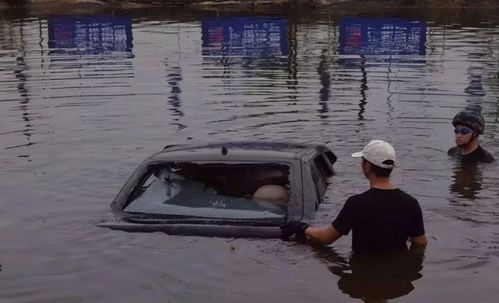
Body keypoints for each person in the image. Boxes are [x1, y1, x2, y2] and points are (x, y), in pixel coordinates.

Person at [281, 140, 427, 254]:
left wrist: (303, 227)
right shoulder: (411, 203)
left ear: (367, 166)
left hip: (364, 274)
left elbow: (325, 238)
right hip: (398, 277)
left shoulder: (356, 204)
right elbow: (421, 243)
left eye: (362, 161)